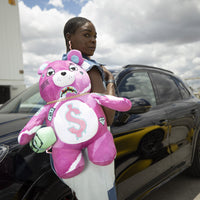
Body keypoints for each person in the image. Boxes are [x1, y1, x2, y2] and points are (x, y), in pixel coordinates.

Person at [60, 16, 117, 200]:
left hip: (67, 148)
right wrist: (110, 79)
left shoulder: (59, 68)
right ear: (70, 38)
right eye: (86, 35)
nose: (93, 40)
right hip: (95, 148)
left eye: (95, 36)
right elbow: (108, 115)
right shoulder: (89, 67)